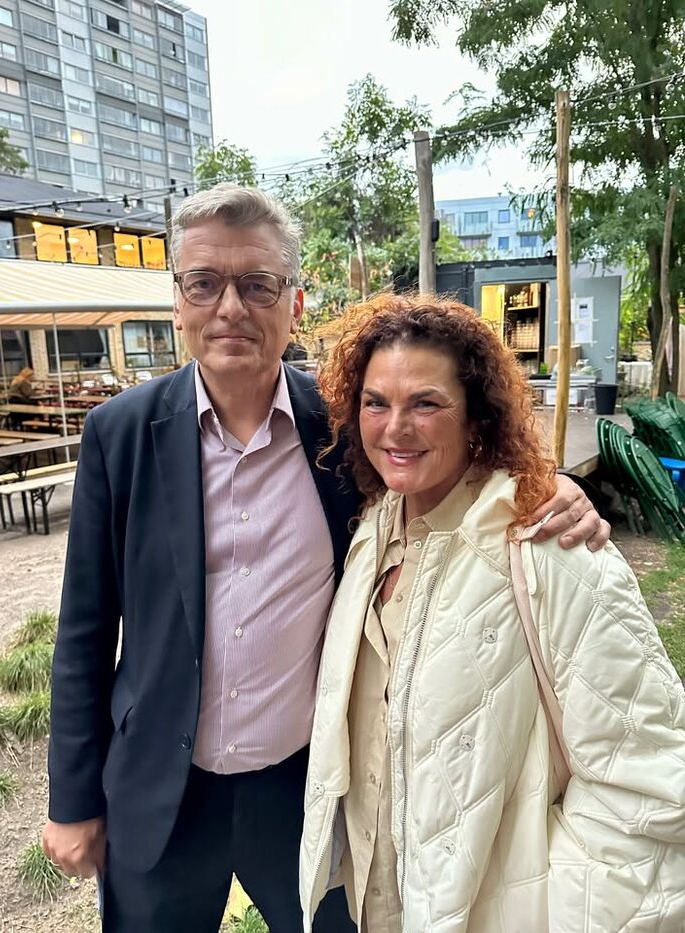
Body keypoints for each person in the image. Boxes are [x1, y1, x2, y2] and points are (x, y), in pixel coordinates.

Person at [41, 184, 608, 933]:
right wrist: (71, 800)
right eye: (204, 283)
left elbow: (451, 469)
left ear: (295, 303)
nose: (230, 308)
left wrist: (549, 488)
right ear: (178, 302)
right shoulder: (119, 435)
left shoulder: (347, 429)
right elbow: (83, 632)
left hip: (308, 786)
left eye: (258, 284)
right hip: (160, 791)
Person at [300, 294, 685, 932]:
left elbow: (648, 783)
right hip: (381, 901)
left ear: (476, 417)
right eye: (376, 402)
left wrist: (562, 909)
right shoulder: (373, 529)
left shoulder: (549, 546)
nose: (395, 427)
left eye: (426, 403)